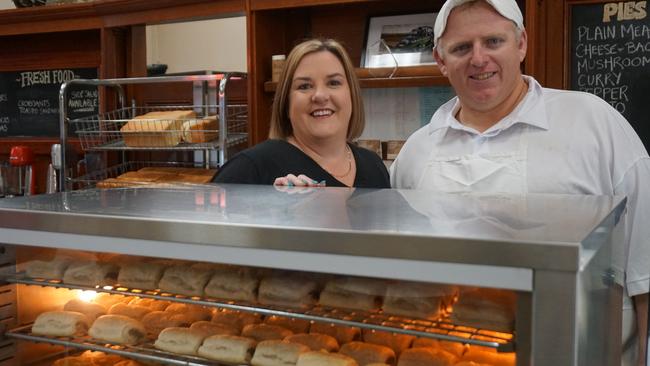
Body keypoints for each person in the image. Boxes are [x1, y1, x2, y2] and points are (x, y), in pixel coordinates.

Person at [389, 0, 649, 364]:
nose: (479, 59)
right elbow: (401, 269)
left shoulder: (593, 123)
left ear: (521, 43)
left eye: (493, 41)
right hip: (453, 351)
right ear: (441, 60)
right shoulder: (417, 150)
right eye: (462, 48)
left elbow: (645, 271)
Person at [213, 38, 389, 188]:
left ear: (352, 94)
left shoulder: (374, 166)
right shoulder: (251, 168)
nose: (320, 96)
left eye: (334, 83)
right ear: (286, 102)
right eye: (304, 86)